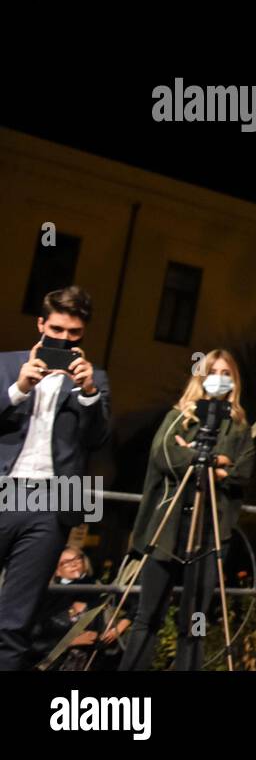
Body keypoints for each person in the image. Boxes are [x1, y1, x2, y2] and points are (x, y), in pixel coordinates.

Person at [117, 350, 254, 671]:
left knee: (195, 618)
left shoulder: (238, 427)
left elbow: (243, 471)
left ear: (234, 380)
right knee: (147, 614)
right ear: (201, 376)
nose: (219, 377)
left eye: (226, 372)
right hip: (167, 526)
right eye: (212, 371)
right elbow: (162, 455)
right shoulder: (179, 416)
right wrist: (205, 460)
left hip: (211, 531)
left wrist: (208, 461)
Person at [0, 285, 112, 670]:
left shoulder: (95, 378)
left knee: (16, 617)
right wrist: (19, 388)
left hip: (53, 500)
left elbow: (97, 439)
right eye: (58, 330)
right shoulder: (6, 364)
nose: (64, 339)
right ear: (41, 324)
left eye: (74, 333)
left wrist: (88, 393)